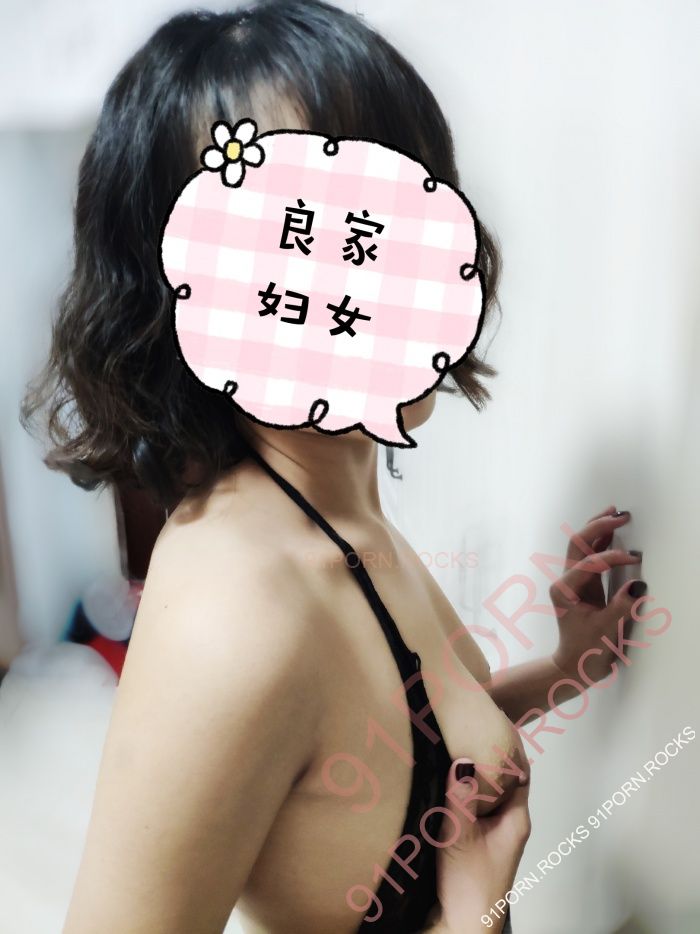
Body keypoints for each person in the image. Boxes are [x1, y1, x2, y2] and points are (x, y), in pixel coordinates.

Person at [20, 2, 646, 931]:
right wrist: (469, 918)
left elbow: (379, 752)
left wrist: (565, 668)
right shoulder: (237, 611)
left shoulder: (334, 509)